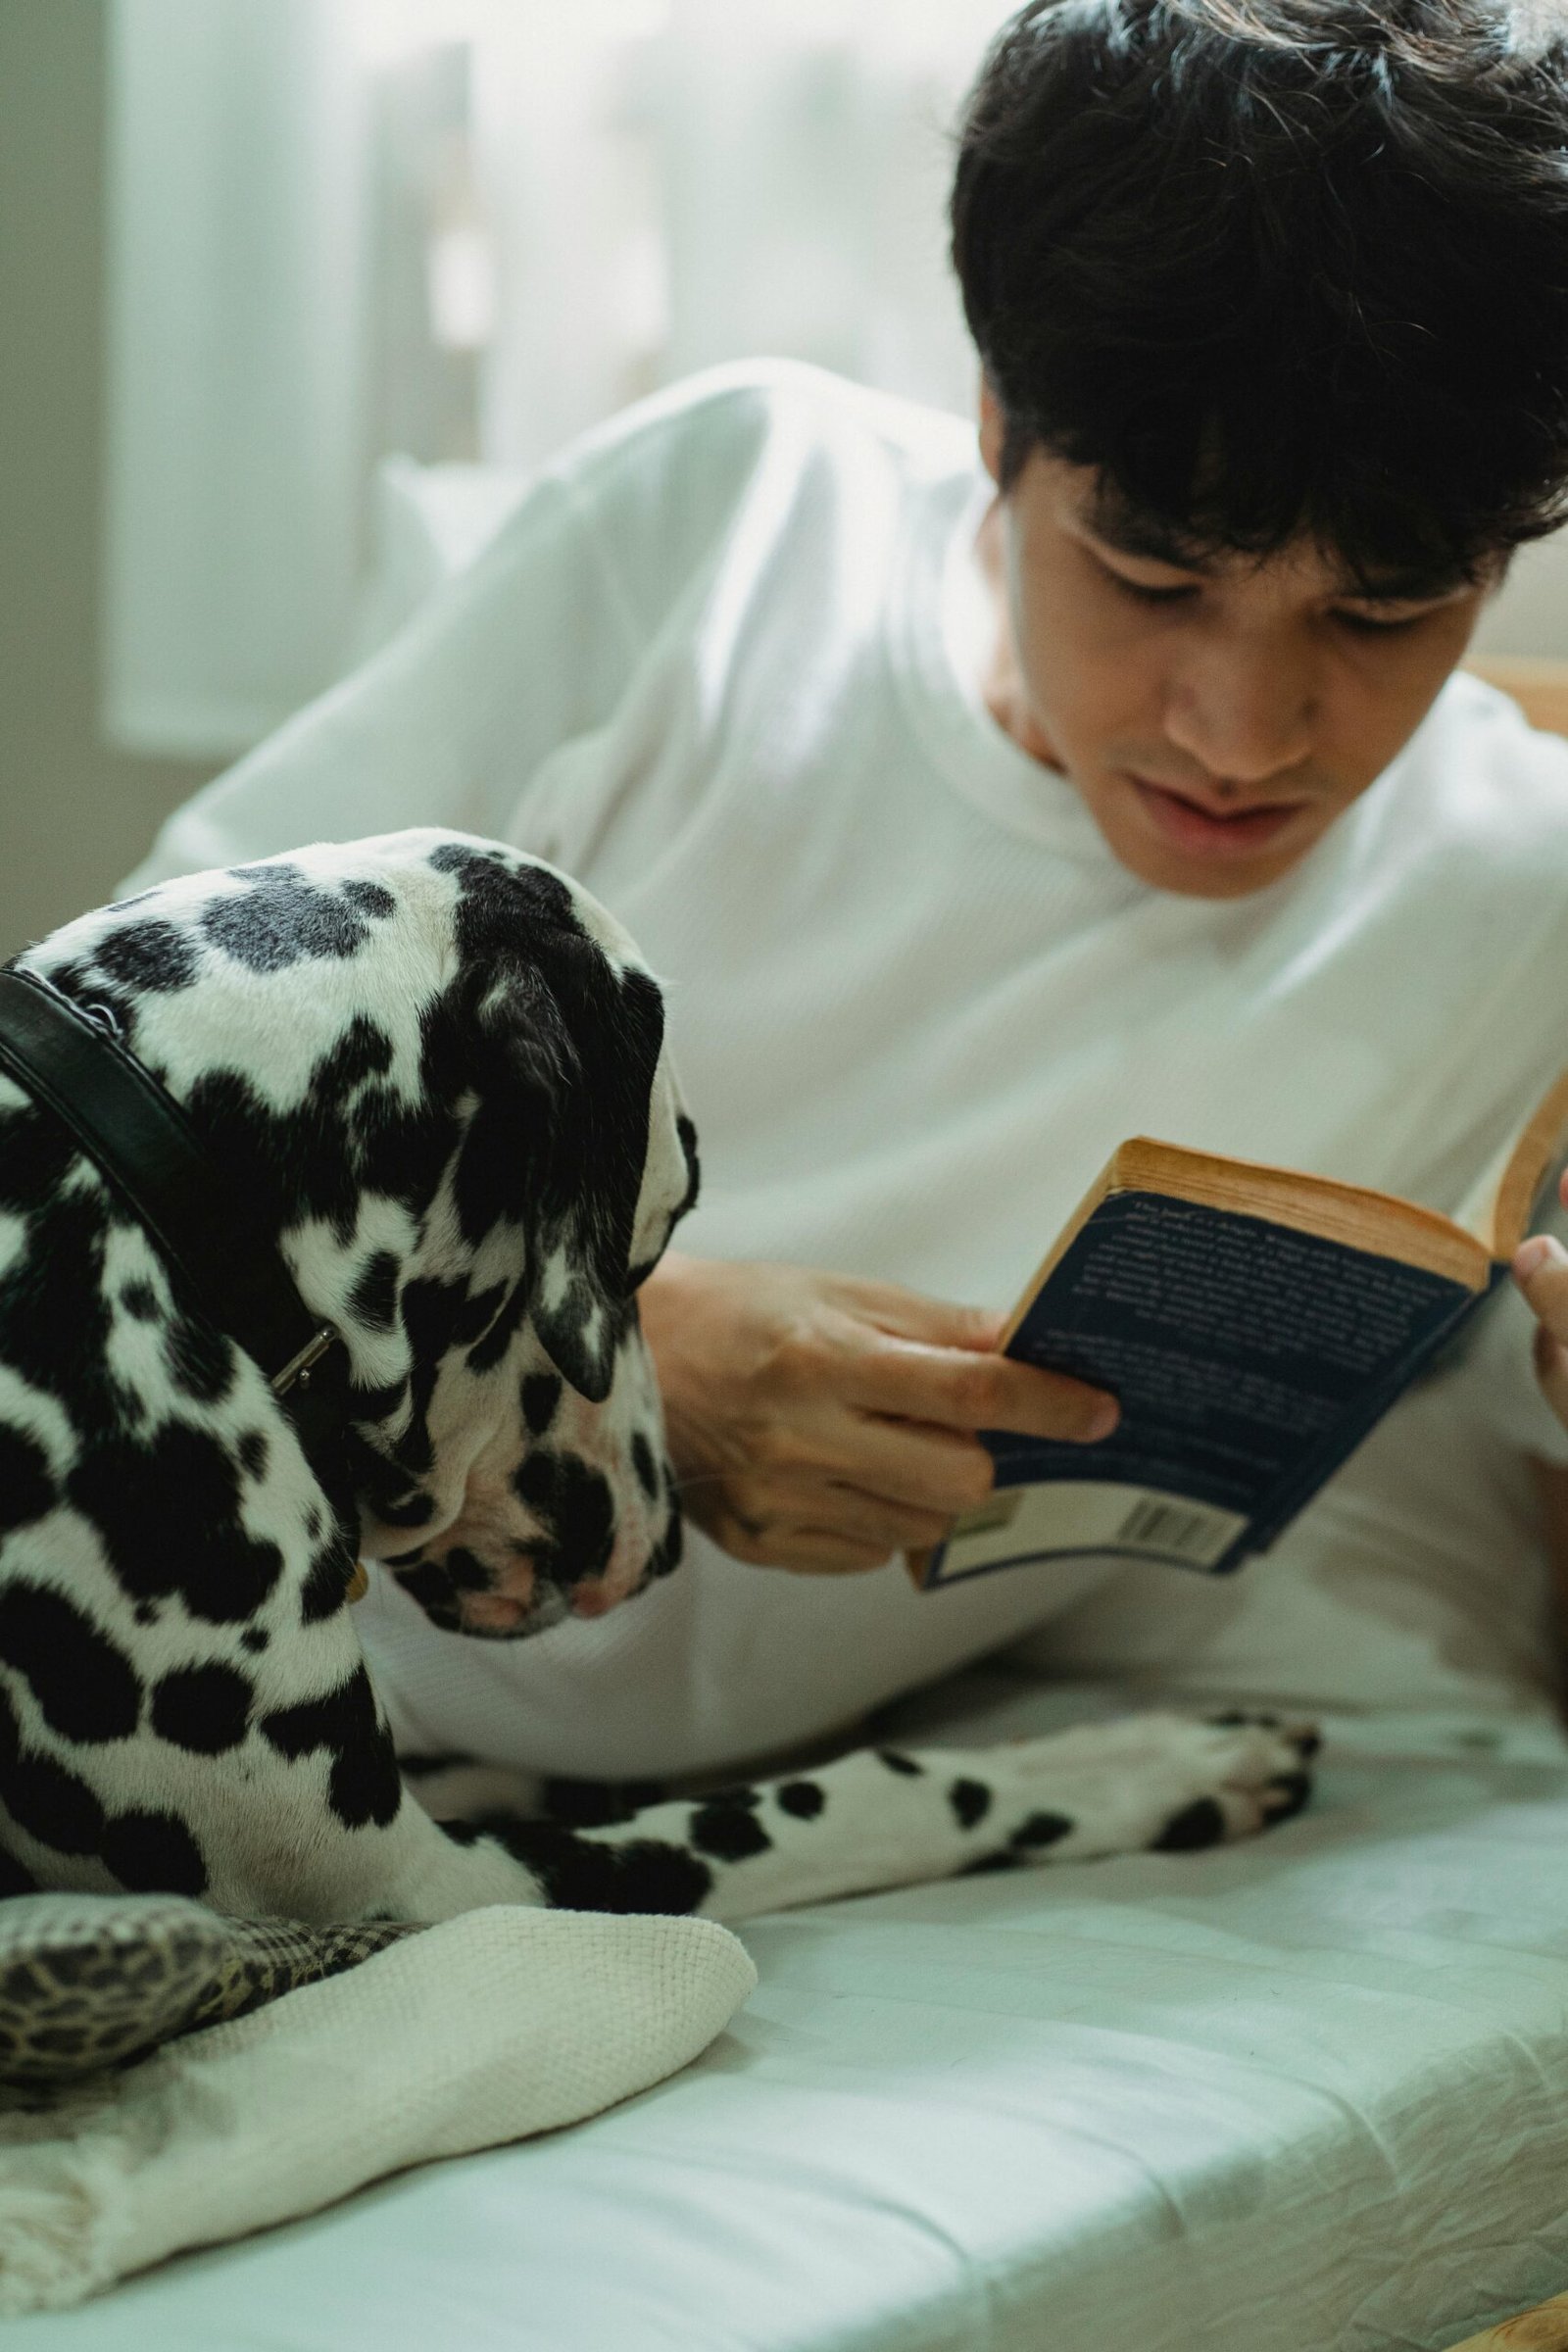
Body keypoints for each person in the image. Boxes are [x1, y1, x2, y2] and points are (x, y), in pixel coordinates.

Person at [126, 0, 1568, 1779]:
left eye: (1381, 615)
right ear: (994, 419)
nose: (1243, 730)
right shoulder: (733, 533)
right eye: (1148, 576)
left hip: (544, 1808)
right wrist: (613, 1355)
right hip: (148, 1630)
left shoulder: (1524, 898)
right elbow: (98, 1108)